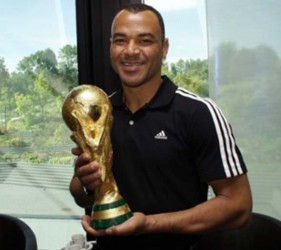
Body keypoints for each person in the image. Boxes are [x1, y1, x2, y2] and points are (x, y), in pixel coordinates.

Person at [69, 3, 252, 250]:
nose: (131, 51)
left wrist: (150, 224)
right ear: (110, 47)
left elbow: (238, 206)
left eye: (145, 41)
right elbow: (81, 195)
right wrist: (84, 181)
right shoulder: (99, 112)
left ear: (164, 48)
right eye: (121, 41)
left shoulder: (198, 113)